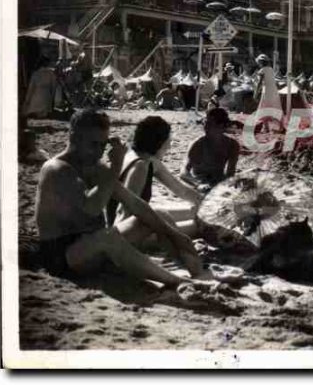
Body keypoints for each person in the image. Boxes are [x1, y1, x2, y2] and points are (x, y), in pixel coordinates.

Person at [34, 109, 206, 286]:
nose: (99, 152)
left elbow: (134, 203)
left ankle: (192, 270)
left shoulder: (92, 165)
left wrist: (174, 235)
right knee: (107, 238)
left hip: (92, 245)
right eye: (93, 144)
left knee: (159, 215)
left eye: (103, 145)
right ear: (74, 137)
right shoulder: (57, 169)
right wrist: (115, 167)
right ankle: (176, 281)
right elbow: (92, 209)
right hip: (62, 256)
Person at [107, 116, 203, 231]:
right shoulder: (140, 166)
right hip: (128, 232)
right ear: (159, 143)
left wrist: (207, 203)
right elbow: (123, 213)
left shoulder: (143, 158)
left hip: (138, 222)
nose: (169, 146)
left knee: (194, 212)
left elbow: (181, 190)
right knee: (200, 227)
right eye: (168, 141)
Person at [181, 108, 240, 190]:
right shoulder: (198, 144)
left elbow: (230, 173)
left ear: (221, 126)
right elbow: (184, 172)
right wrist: (198, 185)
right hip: (199, 181)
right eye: (205, 123)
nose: (205, 127)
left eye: (209, 124)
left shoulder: (232, 145)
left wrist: (226, 185)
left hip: (218, 181)